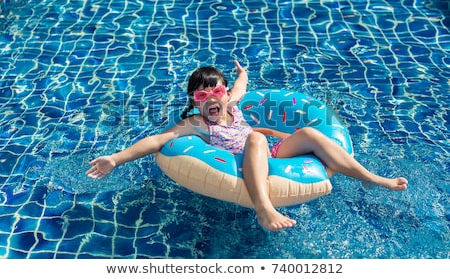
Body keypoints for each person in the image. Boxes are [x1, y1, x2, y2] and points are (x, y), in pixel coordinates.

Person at [86, 61, 408, 231]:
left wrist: (243, 74)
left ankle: (372, 178)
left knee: (311, 134)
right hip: (239, 164)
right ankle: (264, 209)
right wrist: (116, 158)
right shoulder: (197, 125)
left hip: (269, 156)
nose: (211, 99)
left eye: (217, 92)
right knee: (255, 136)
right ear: (194, 103)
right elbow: (157, 140)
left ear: (225, 94)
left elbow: (241, 87)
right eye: (201, 96)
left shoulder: (234, 105)